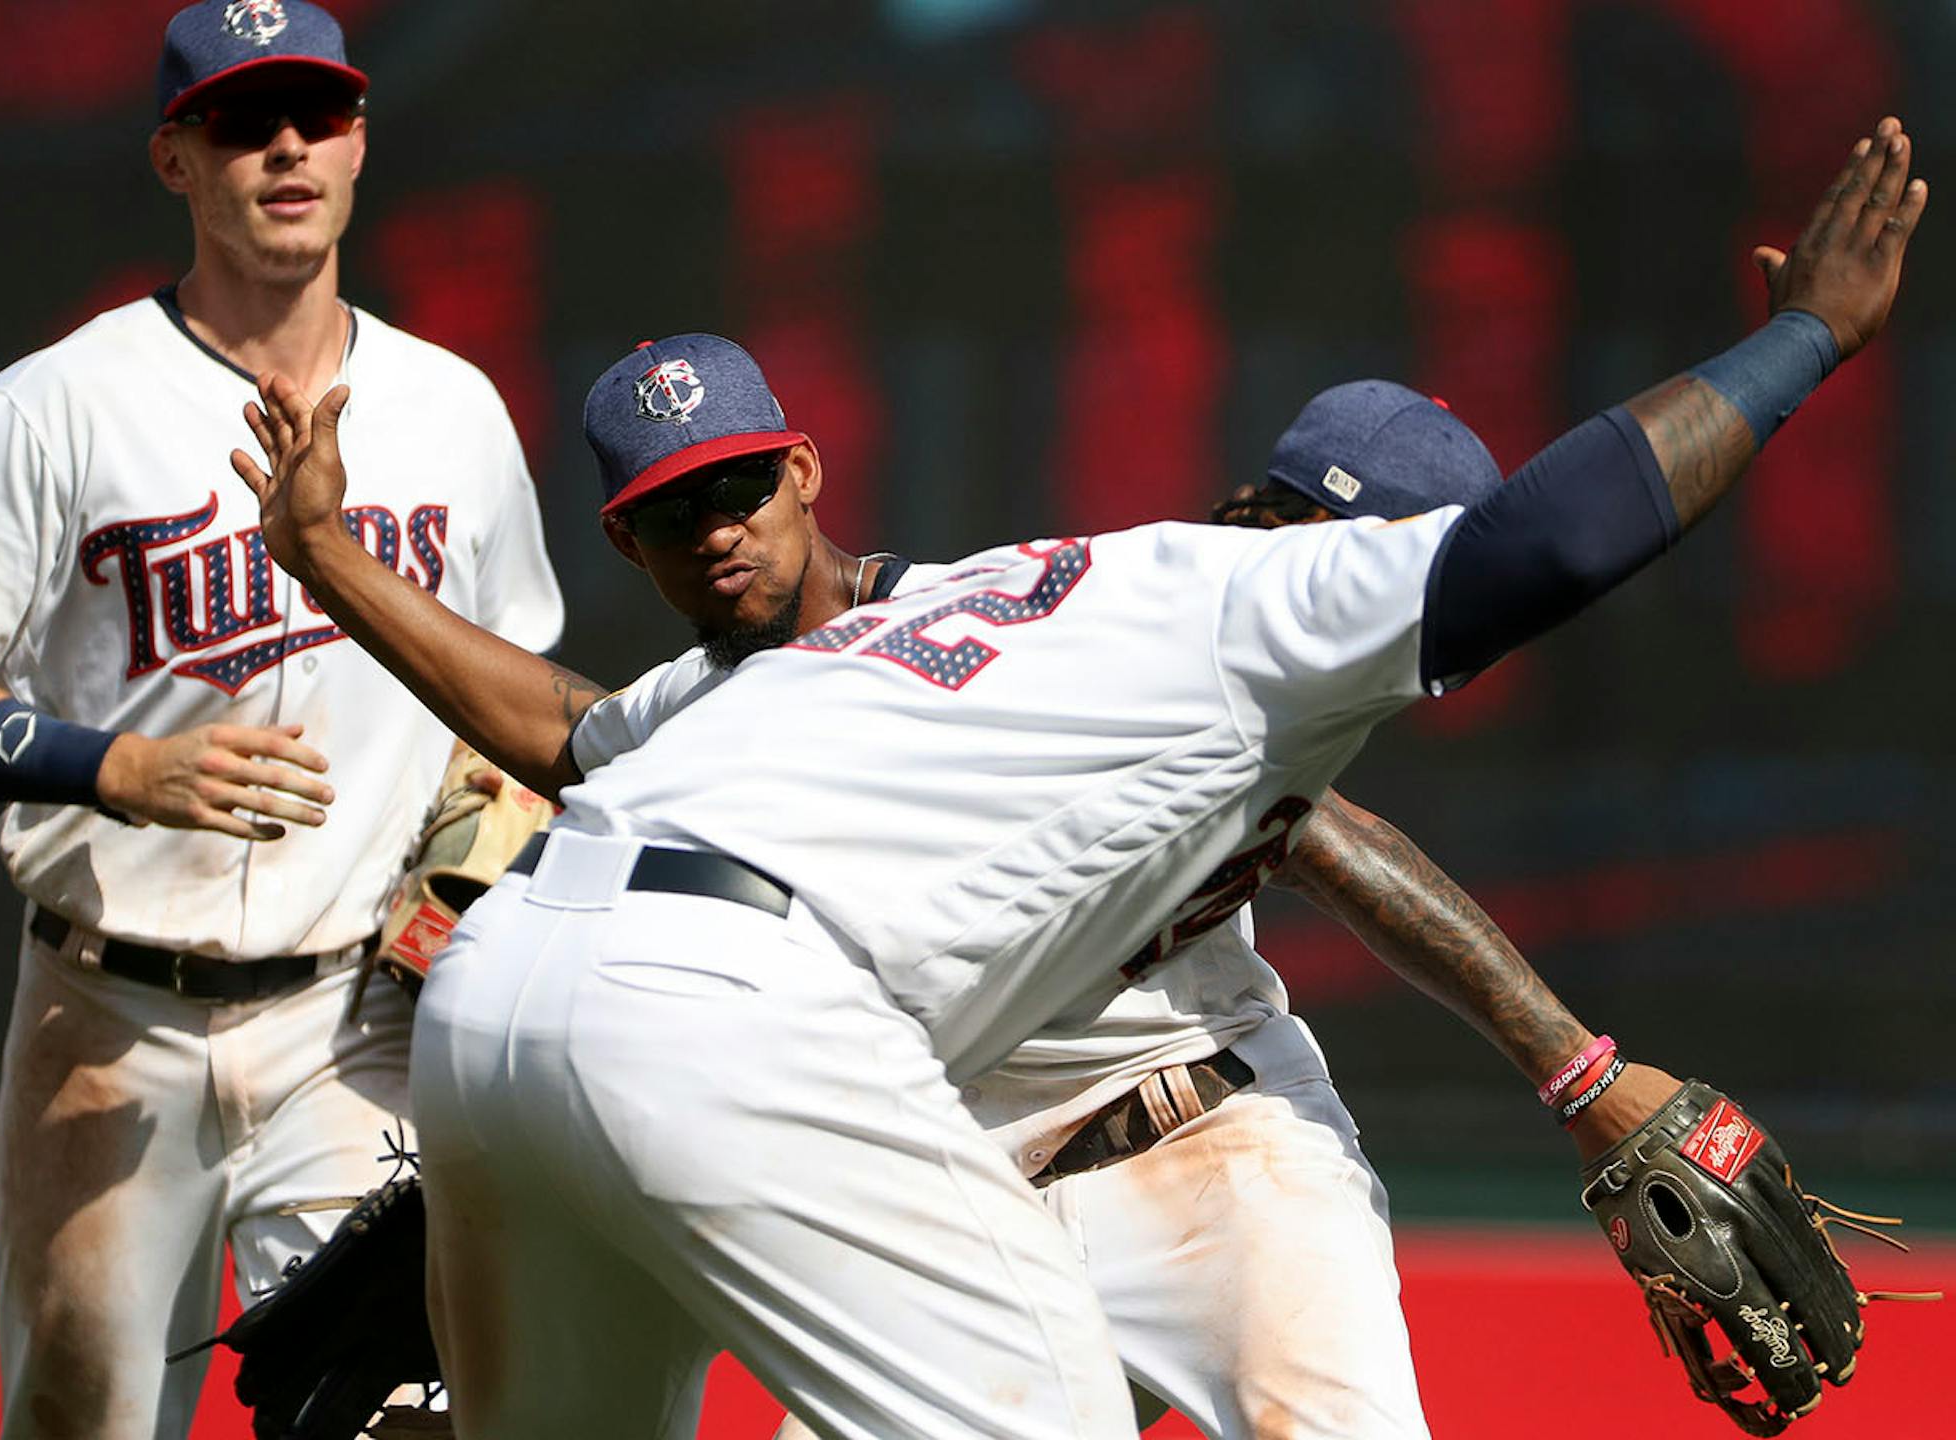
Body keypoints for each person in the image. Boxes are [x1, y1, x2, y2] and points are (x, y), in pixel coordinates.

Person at [234, 119, 1922, 1437]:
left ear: (806, 468)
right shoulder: (1248, 612)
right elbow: (1546, 542)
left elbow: (1331, 831)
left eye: (741, 486)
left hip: (1074, 1112)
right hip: (851, 1095)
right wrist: (1812, 340)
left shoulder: (970, 612)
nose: (720, 527)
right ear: (1323, 538)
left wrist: (536, 1143)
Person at [0, 4, 563, 1437]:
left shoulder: (454, 410)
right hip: (107, 1019)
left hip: (356, 1022)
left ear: (359, 144)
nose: (286, 145)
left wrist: (483, 865)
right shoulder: (58, 405)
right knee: (83, 1422)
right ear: (176, 158)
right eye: (242, 119)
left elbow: (515, 692)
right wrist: (114, 765)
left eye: (318, 113)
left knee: (396, 1414)